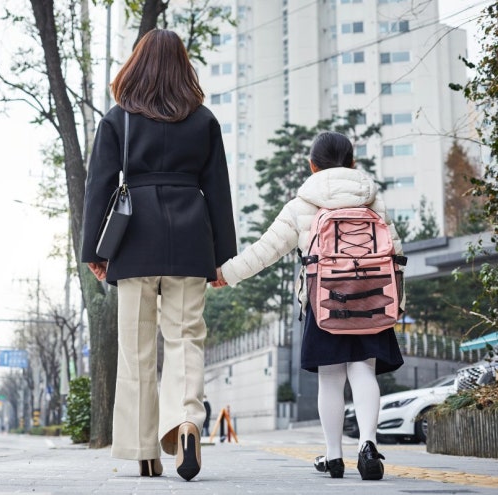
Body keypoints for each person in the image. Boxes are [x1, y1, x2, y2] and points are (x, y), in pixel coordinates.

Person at [81, 29, 237, 481]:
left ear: (138, 64)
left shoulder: (118, 119)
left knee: (136, 347)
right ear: (182, 67)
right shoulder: (203, 120)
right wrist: (221, 257)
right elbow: (219, 192)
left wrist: (94, 249)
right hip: (191, 240)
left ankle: (144, 449)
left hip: (134, 241)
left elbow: (99, 188)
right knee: (186, 337)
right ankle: (186, 421)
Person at [217, 131, 404, 481]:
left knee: (331, 377)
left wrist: (226, 273)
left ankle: (334, 456)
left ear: (312, 165)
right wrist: (398, 303)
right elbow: (396, 253)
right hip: (374, 300)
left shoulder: (303, 203)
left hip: (325, 303)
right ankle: (367, 444)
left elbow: (265, 250)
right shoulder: (373, 200)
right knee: (362, 369)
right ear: (352, 163)